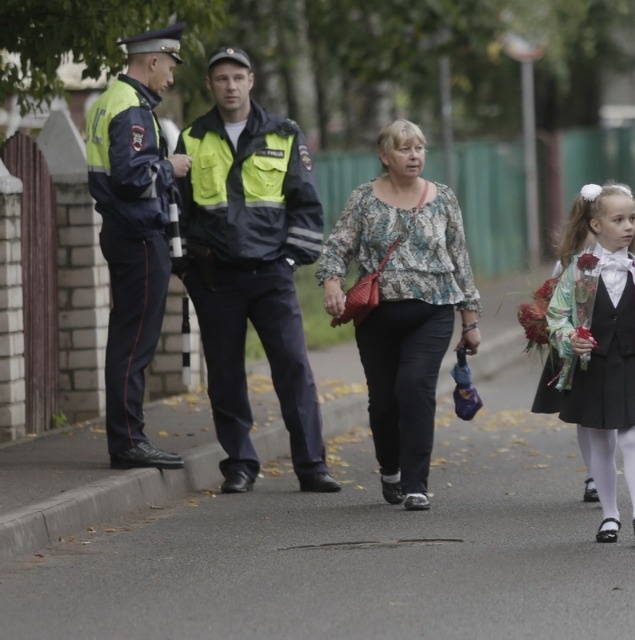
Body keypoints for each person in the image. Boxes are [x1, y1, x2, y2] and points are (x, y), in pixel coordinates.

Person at [175, 46, 340, 495]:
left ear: (251, 81)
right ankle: (239, 466)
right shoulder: (192, 137)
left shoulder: (284, 133)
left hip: (271, 273)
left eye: (237, 77)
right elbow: (179, 211)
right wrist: (188, 269)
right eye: (221, 78)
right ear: (210, 85)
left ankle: (312, 466)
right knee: (226, 374)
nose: (230, 86)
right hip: (215, 278)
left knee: (292, 368)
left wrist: (290, 259)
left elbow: (306, 204)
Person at [317, 119, 481, 512]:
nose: (414, 156)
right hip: (377, 316)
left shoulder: (442, 198)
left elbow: (460, 259)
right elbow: (338, 246)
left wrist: (470, 321)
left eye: (419, 148)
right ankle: (389, 469)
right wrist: (332, 284)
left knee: (415, 387)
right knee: (384, 401)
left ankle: (415, 484)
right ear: (384, 155)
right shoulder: (364, 199)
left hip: (433, 311)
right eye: (405, 149)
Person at [546, 182, 635, 544]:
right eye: (618, 219)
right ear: (595, 225)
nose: (628, 227)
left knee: (633, 437)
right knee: (602, 442)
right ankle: (610, 516)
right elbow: (556, 317)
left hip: (630, 365)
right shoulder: (578, 272)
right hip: (592, 367)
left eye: (632, 219)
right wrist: (570, 339)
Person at [86, 22, 193, 470]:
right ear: (152, 61)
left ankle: (128, 437)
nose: (170, 76)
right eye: (169, 66)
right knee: (134, 343)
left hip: (121, 232)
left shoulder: (108, 101)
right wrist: (170, 166)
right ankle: (129, 441)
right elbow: (132, 179)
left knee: (128, 339)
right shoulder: (131, 108)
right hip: (137, 236)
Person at [529, 235, 601, 504]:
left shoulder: (629, 261)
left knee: (614, 418)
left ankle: (604, 472)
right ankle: (594, 475)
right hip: (578, 344)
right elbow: (552, 302)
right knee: (584, 413)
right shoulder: (569, 263)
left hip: (612, 345)